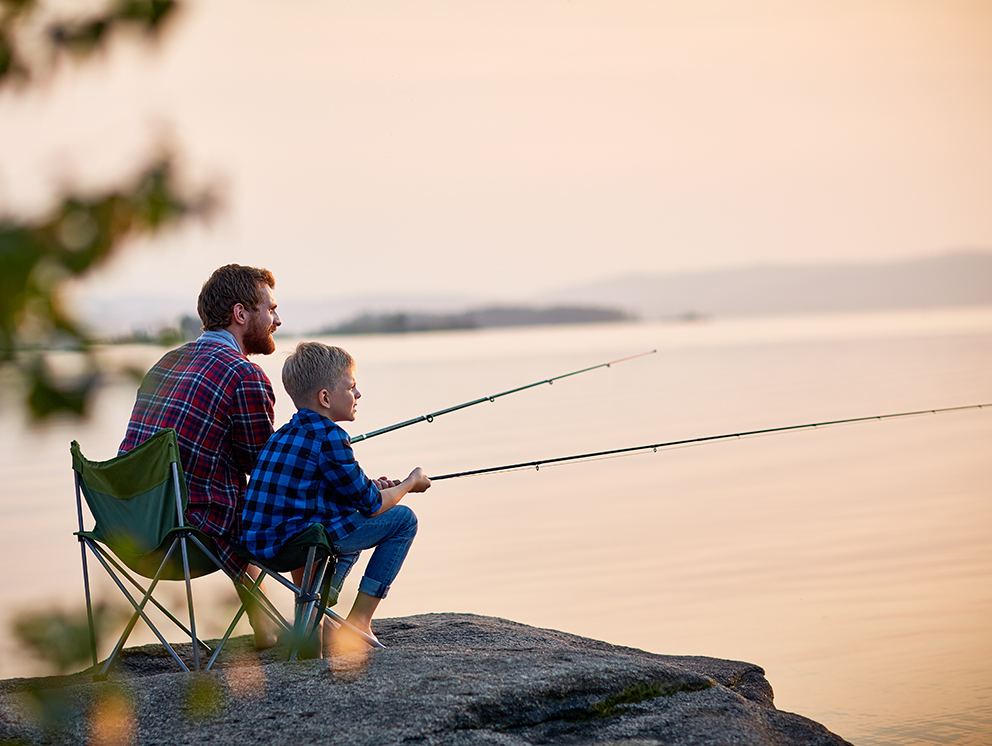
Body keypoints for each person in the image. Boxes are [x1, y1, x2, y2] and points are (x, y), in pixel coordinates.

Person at [119, 263, 282, 648]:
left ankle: (266, 625)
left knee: (227, 496)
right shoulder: (244, 375)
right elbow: (264, 473)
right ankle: (309, 627)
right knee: (279, 500)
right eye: (270, 309)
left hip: (129, 528)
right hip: (185, 537)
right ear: (241, 314)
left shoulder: (165, 363)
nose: (278, 318)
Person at [241, 341, 430, 650]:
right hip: (300, 544)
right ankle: (358, 620)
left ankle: (316, 616)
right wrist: (410, 483)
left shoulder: (282, 435)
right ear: (325, 398)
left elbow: (325, 488)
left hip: (260, 548)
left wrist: (373, 484)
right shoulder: (331, 437)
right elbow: (370, 503)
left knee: (346, 516)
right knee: (403, 520)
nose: (358, 395)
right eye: (352, 387)